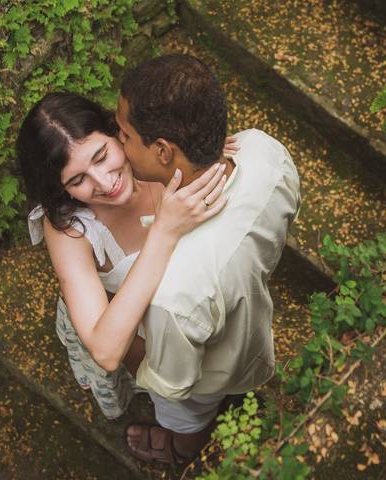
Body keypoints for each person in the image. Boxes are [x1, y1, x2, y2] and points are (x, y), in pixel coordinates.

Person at [114, 54, 301, 465]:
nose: (118, 144)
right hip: (248, 316)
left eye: (124, 134)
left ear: (163, 151)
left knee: (186, 416)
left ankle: (181, 451)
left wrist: (118, 328)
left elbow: (170, 382)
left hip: (209, 374)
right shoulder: (266, 152)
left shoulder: (175, 292)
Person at [16, 92, 232, 420]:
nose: (104, 183)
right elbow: (105, 350)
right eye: (77, 180)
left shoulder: (160, 150)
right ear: (62, 190)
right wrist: (164, 232)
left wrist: (203, 152)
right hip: (128, 330)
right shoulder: (69, 229)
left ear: (117, 132)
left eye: (101, 156)